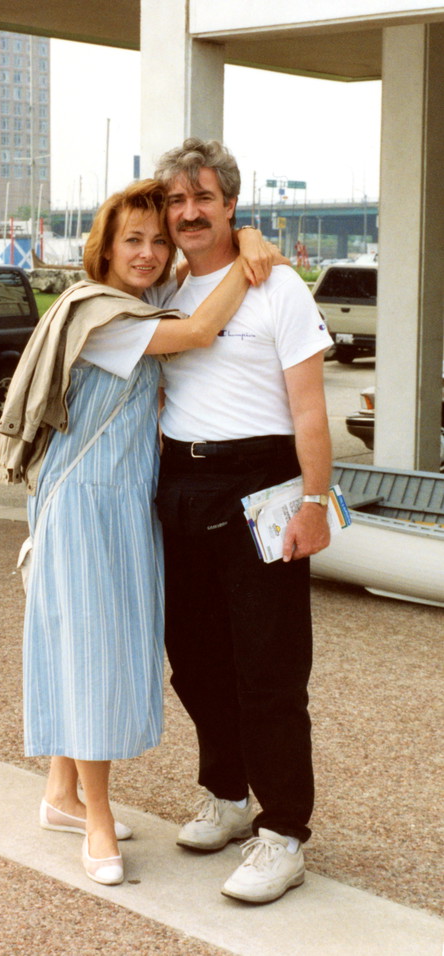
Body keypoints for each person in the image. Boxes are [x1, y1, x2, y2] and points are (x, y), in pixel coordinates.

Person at [0, 179, 278, 887]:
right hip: (84, 504)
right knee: (91, 657)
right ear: (105, 247)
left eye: (158, 238)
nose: (150, 252)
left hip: (124, 504)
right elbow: (201, 330)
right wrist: (248, 258)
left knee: (88, 643)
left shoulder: (142, 301)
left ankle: (60, 794)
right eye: (133, 239)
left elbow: (192, 270)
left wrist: (242, 236)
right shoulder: (103, 316)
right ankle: (95, 818)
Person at [153, 139, 334, 904]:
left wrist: (317, 503)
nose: (190, 212)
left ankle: (284, 831)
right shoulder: (159, 286)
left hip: (262, 484)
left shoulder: (276, 286)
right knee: (194, 659)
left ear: (231, 204)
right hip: (180, 486)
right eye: (176, 200)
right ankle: (226, 796)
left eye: (204, 197)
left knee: (269, 666)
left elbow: (309, 409)